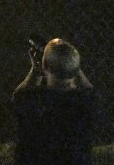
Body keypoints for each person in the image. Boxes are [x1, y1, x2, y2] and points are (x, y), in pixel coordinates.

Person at [13, 37, 97, 165]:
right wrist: (71, 63)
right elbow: (89, 88)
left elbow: (18, 95)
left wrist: (35, 70)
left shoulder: (34, 99)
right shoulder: (84, 100)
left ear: (45, 66)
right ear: (76, 70)